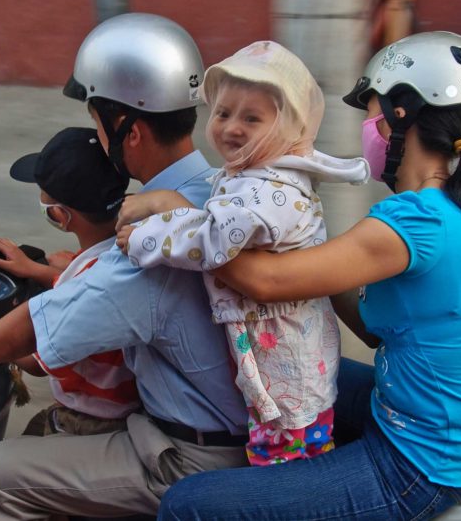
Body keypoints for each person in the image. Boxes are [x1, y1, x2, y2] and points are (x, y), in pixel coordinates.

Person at [157, 31, 461, 520]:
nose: (366, 130)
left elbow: (265, 282)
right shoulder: (452, 204)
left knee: (188, 506)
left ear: (401, 115)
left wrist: (176, 212)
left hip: (420, 463)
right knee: (268, 374)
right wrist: (302, 238)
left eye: (371, 114)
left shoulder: (414, 224)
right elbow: (370, 327)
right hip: (425, 416)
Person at [0, 13, 250, 520]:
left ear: (128, 130)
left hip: (188, 458)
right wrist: (45, 272)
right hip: (218, 425)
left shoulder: (146, 246)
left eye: (97, 121)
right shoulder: (216, 189)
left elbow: (36, 334)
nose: (98, 137)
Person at [115, 40, 369, 465]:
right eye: (223, 113)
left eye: (252, 118)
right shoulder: (252, 173)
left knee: (287, 469)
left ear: (289, 127)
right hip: (278, 362)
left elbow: (215, 240)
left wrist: (147, 235)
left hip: (290, 372)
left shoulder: (272, 190)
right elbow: (220, 205)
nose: (232, 127)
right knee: (282, 451)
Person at [0, 127, 140, 436]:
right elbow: (88, 277)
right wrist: (36, 270)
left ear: (61, 215)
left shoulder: (89, 286)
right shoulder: (131, 239)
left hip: (93, 420)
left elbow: (32, 360)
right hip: (122, 405)